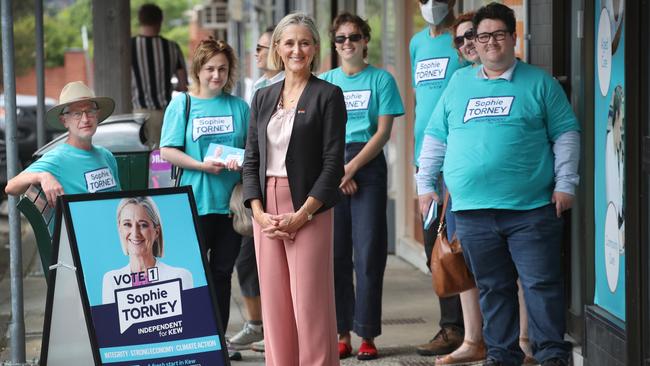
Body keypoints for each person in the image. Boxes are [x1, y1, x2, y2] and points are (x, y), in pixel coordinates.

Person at [416, 3, 580, 365]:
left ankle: (551, 356)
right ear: (474, 40)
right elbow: (435, 136)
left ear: (513, 37)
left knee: (540, 286)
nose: (490, 43)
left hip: (531, 209)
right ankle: (501, 355)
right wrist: (424, 184)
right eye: (482, 36)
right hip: (473, 210)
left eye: (499, 34)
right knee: (492, 288)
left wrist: (566, 183)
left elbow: (566, 133)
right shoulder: (459, 82)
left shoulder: (540, 83)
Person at [242, 12, 346, 366]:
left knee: (310, 303)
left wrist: (303, 215)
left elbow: (333, 164)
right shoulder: (262, 97)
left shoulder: (328, 94)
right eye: (289, 42)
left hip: (309, 207)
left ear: (315, 48)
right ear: (277, 48)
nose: (296, 50)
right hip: (265, 210)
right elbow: (251, 157)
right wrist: (257, 211)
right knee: (275, 305)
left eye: (304, 42)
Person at [319, 12, 404, 361]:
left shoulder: (381, 80)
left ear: (366, 40)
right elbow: (318, 133)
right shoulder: (324, 80)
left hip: (366, 165)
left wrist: (352, 167)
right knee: (336, 255)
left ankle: (366, 333)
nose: (348, 43)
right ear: (334, 44)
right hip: (331, 165)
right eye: (340, 38)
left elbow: (383, 133)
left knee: (368, 254)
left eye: (354, 37)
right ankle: (341, 331)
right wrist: (338, 169)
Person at [160, 38, 249, 341]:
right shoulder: (182, 103)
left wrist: (241, 162)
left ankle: (217, 341)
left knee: (222, 276)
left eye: (222, 69)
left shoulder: (239, 107)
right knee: (192, 276)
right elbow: (168, 150)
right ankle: (193, 339)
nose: (216, 75)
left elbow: (252, 151)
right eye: (210, 68)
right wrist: (200, 166)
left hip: (230, 207)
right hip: (193, 202)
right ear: (198, 69)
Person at [410, 0, 467, 357]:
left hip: (458, 160)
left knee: (463, 245)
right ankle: (450, 327)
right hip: (425, 161)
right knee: (436, 246)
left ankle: (473, 329)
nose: (432, 4)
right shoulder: (417, 42)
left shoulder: (461, 40)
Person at [228, 25, 285, 354]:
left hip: (283, 184)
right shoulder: (260, 87)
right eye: (258, 48)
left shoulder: (292, 87)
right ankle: (258, 323)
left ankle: (275, 327)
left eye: (264, 48)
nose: (259, 54)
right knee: (248, 260)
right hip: (257, 184)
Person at [5, 81, 120, 206]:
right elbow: (11, 187)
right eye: (77, 114)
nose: (85, 119)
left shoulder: (106, 155)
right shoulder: (57, 158)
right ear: (64, 120)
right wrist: (42, 176)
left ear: (97, 115)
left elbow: (119, 200)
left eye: (90, 112)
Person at [102, 196, 193, 304]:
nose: (135, 233)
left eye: (143, 225)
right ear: (120, 230)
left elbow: (189, 319)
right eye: (127, 224)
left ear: (156, 232)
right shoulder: (111, 280)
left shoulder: (180, 277)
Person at [132, 3, 188, 148]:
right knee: (162, 160)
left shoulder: (129, 46)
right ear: (160, 21)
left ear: (140, 20)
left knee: (141, 159)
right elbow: (183, 85)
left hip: (136, 116)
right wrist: (170, 86)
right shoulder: (172, 47)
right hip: (164, 114)